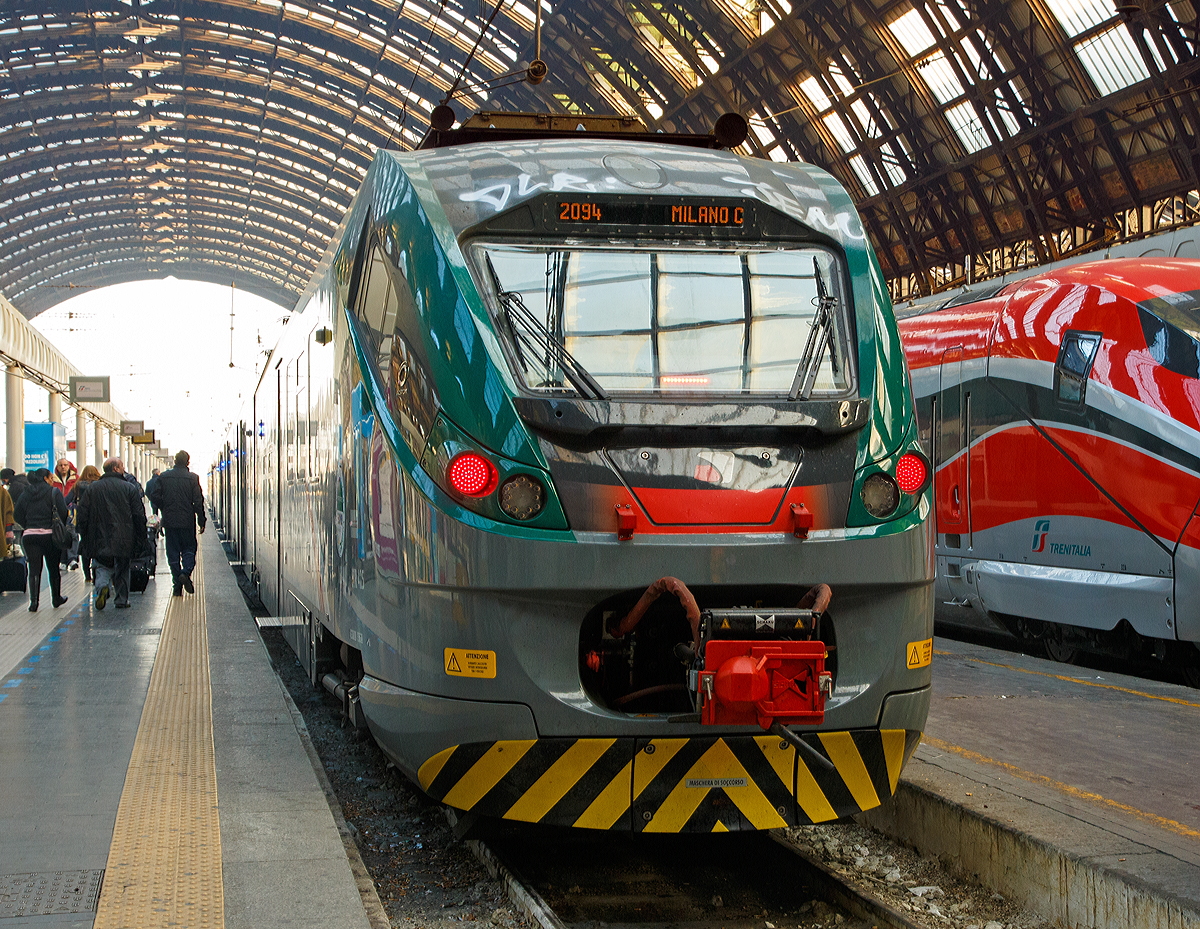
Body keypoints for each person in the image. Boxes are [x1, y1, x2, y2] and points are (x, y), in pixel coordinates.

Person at [77, 458, 145, 610]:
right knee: (122, 566)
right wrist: (141, 536)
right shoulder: (129, 488)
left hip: (98, 534)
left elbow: (82, 513)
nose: (123, 469)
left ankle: (101, 586)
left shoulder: (92, 488)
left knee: (101, 564)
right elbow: (138, 515)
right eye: (122, 466)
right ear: (115, 469)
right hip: (124, 535)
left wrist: (84, 533)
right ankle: (121, 600)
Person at [12, 468, 69, 611]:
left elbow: (17, 513)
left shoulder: (26, 493)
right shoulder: (54, 492)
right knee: (53, 568)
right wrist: (56, 525)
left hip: (30, 536)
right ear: (45, 478)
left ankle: (33, 603)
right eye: (51, 478)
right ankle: (56, 598)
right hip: (50, 535)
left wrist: (28, 526)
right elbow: (63, 512)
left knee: (34, 569)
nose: (52, 480)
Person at [150, 450, 205, 596]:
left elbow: (154, 496)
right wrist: (201, 519)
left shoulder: (164, 477)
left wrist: (164, 507)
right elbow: (198, 501)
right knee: (189, 549)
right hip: (187, 521)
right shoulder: (193, 478)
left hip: (170, 521)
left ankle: (176, 585)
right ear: (187, 462)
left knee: (172, 552)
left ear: (174, 461)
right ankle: (185, 573)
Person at [66, 464, 101, 581]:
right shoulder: (99, 485)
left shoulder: (77, 485)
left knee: (85, 544)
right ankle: (97, 573)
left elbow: (66, 501)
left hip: (82, 518)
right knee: (98, 544)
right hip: (98, 519)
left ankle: (87, 575)